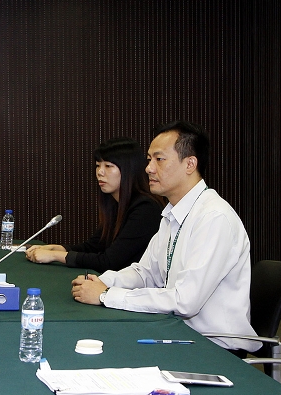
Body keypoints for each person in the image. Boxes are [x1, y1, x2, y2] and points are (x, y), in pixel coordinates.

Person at [71, 121, 258, 352]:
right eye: (149, 159)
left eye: (159, 159)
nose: (148, 168)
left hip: (213, 346)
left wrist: (107, 296)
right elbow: (145, 272)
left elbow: (184, 301)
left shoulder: (214, 218)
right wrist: (104, 282)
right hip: (178, 332)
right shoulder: (173, 213)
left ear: (190, 164)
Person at [26, 137, 162, 273]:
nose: (100, 172)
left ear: (129, 170)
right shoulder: (116, 203)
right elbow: (94, 246)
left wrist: (55, 256)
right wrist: (57, 248)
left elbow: (109, 261)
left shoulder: (146, 209)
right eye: (98, 165)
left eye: (108, 166)